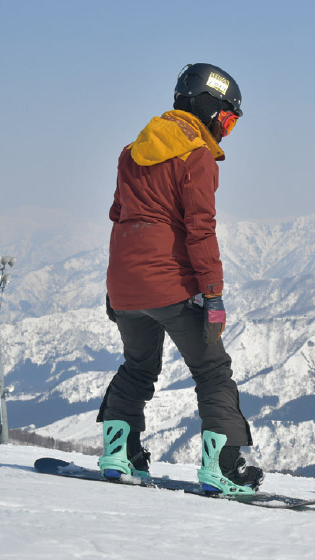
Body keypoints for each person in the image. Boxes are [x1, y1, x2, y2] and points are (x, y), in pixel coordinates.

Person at [96, 63, 264, 496]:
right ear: (209, 108)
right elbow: (200, 228)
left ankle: (120, 453)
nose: (226, 131)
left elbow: (119, 218)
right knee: (212, 371)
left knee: (138, 367)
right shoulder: (197, 155)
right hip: (172, 283)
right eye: (227, 119)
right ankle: (225, 467)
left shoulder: (131, 151)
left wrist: (113, 288)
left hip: (126, 285)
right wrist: (213, 294)